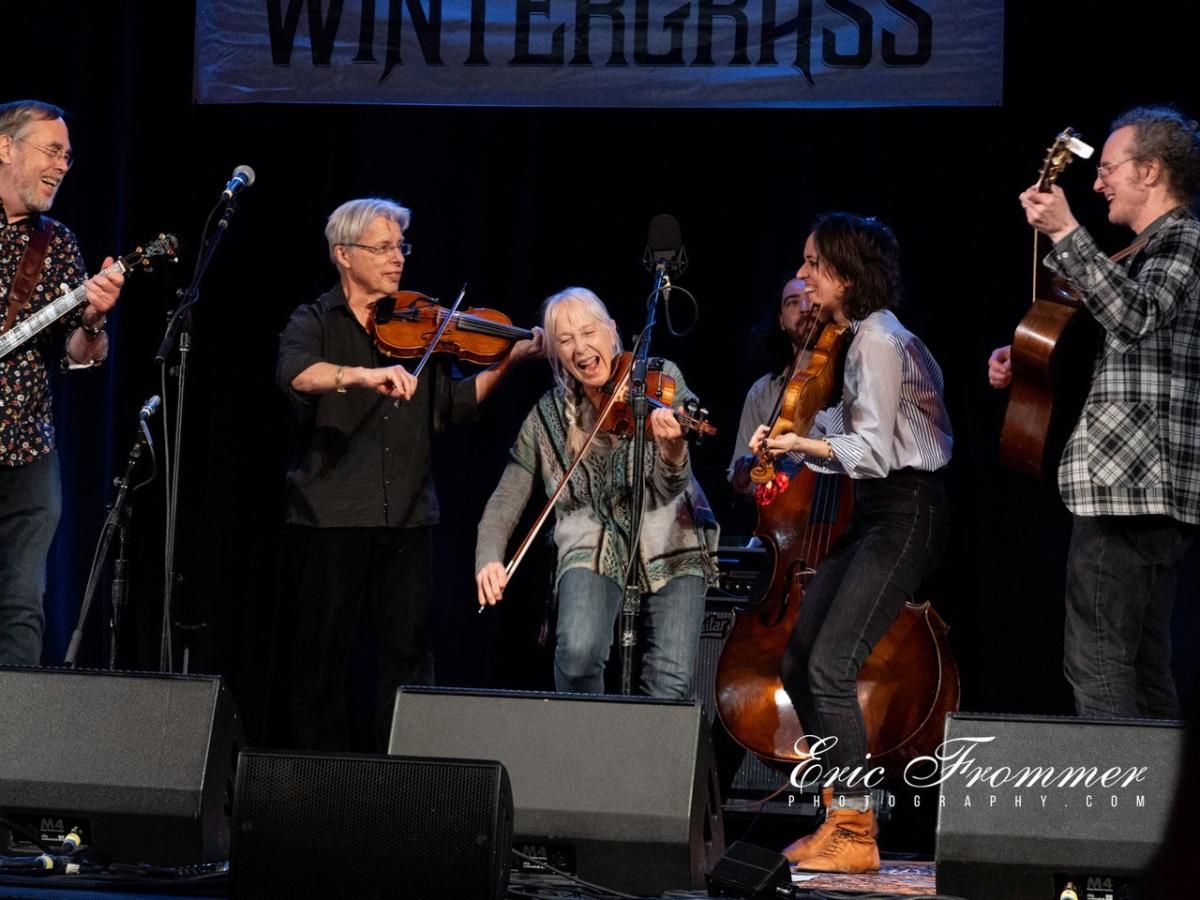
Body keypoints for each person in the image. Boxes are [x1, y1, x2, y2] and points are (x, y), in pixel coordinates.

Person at [276, 196, 542, 750]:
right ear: (344, 255)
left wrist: (508, 360)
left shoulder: (419, 323)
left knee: (408, 659)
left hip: (408, 515)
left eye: (401, 246)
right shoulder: (314, 320)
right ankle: (316, 784)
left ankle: (401, 787)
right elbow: (297, 374)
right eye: (383, 247)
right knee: (322, 659)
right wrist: (365, 376)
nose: (398, 257)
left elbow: (454, 404)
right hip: (330, 517)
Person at [751, 213, 952, 873]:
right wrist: (791, 437)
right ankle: (844, 812)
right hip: (876, 510)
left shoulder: (879, 341)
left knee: (830, 664)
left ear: (844, 272)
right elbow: (857, 433)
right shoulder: (858, 339)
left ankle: (857, 830)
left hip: (906, 512)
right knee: (799, 658)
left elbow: (867, 451)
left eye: (813, 263)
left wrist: (800, 442)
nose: (803, 275)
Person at [988, 105, 1200, 719]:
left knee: (1099, 660)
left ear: (1151, 171)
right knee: (1142, 664)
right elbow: (1119, 337)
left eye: (1108, 169)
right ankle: (1156, 810)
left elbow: (1134, 317)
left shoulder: (1183, 238)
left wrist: (1064, 231)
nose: (1098, 181)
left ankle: (1118, 809)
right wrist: (1030, 355)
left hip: (1130, 486)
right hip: (1137, 484)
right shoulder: (1151, 246)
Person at [475, 287, 719, 699]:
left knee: (668, 683)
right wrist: (489, 557)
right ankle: (592, 746)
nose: (581, 348)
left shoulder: (661, 380)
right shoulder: (549, 413)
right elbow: (507, 495)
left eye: (589, 333)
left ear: (612, 332)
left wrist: (674, 447)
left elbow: (670, 487)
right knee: (577, 654)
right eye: (565, 340)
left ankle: (645, 763)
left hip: (672, 540)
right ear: (554, 352)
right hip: (590, 542)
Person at [0, 99, 124, 667]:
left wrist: (94, 319)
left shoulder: (57, 244)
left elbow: (79, 355)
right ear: (5, 147)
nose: (61, 165)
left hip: (27, 447)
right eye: (52, 150)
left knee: (23, 600)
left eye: (67, 157)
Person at [727, 275, 826, 496]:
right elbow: (741, 478)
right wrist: (746, 474)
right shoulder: (762, 392)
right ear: (781, 321)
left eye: (811, 298)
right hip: (783, 520)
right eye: (792, 302)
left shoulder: (849, 378)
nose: (803, 308)